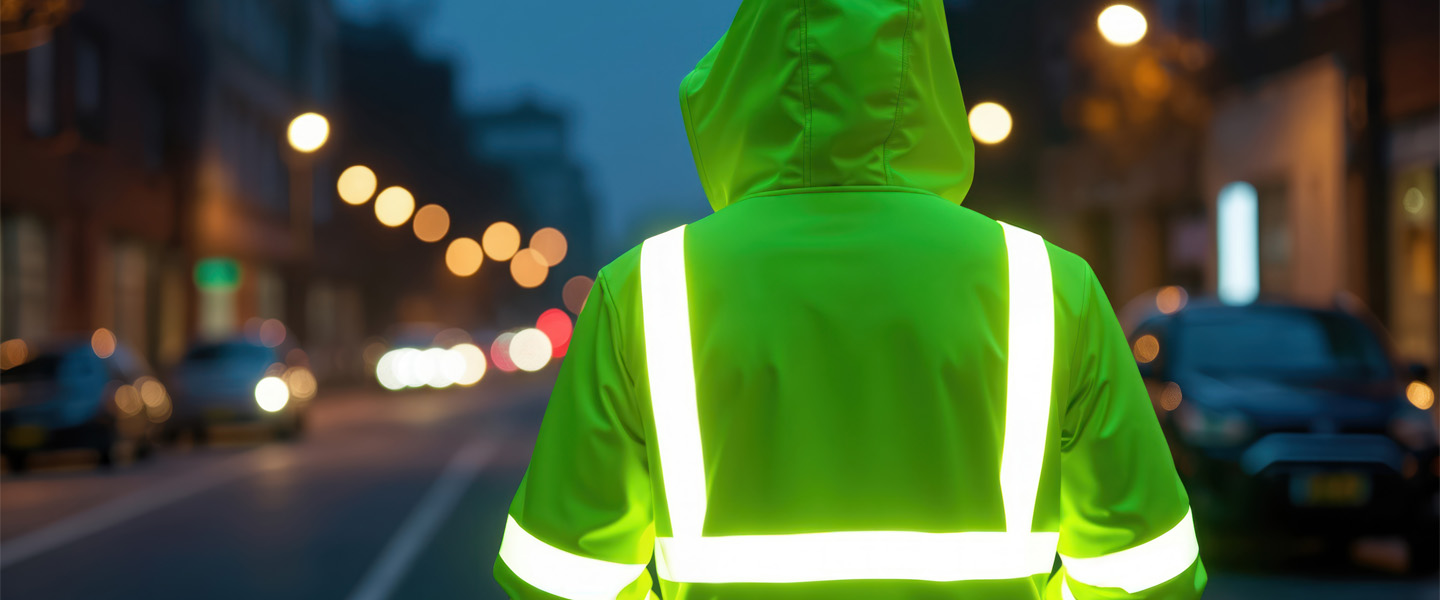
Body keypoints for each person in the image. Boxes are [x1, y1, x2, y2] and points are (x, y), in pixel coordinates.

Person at [495, 0, 1205, 598]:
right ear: (926, 71)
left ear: (746, 77)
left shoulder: (644, 288)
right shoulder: (1048, 282)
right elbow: (1145, 571)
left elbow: (563, 576)